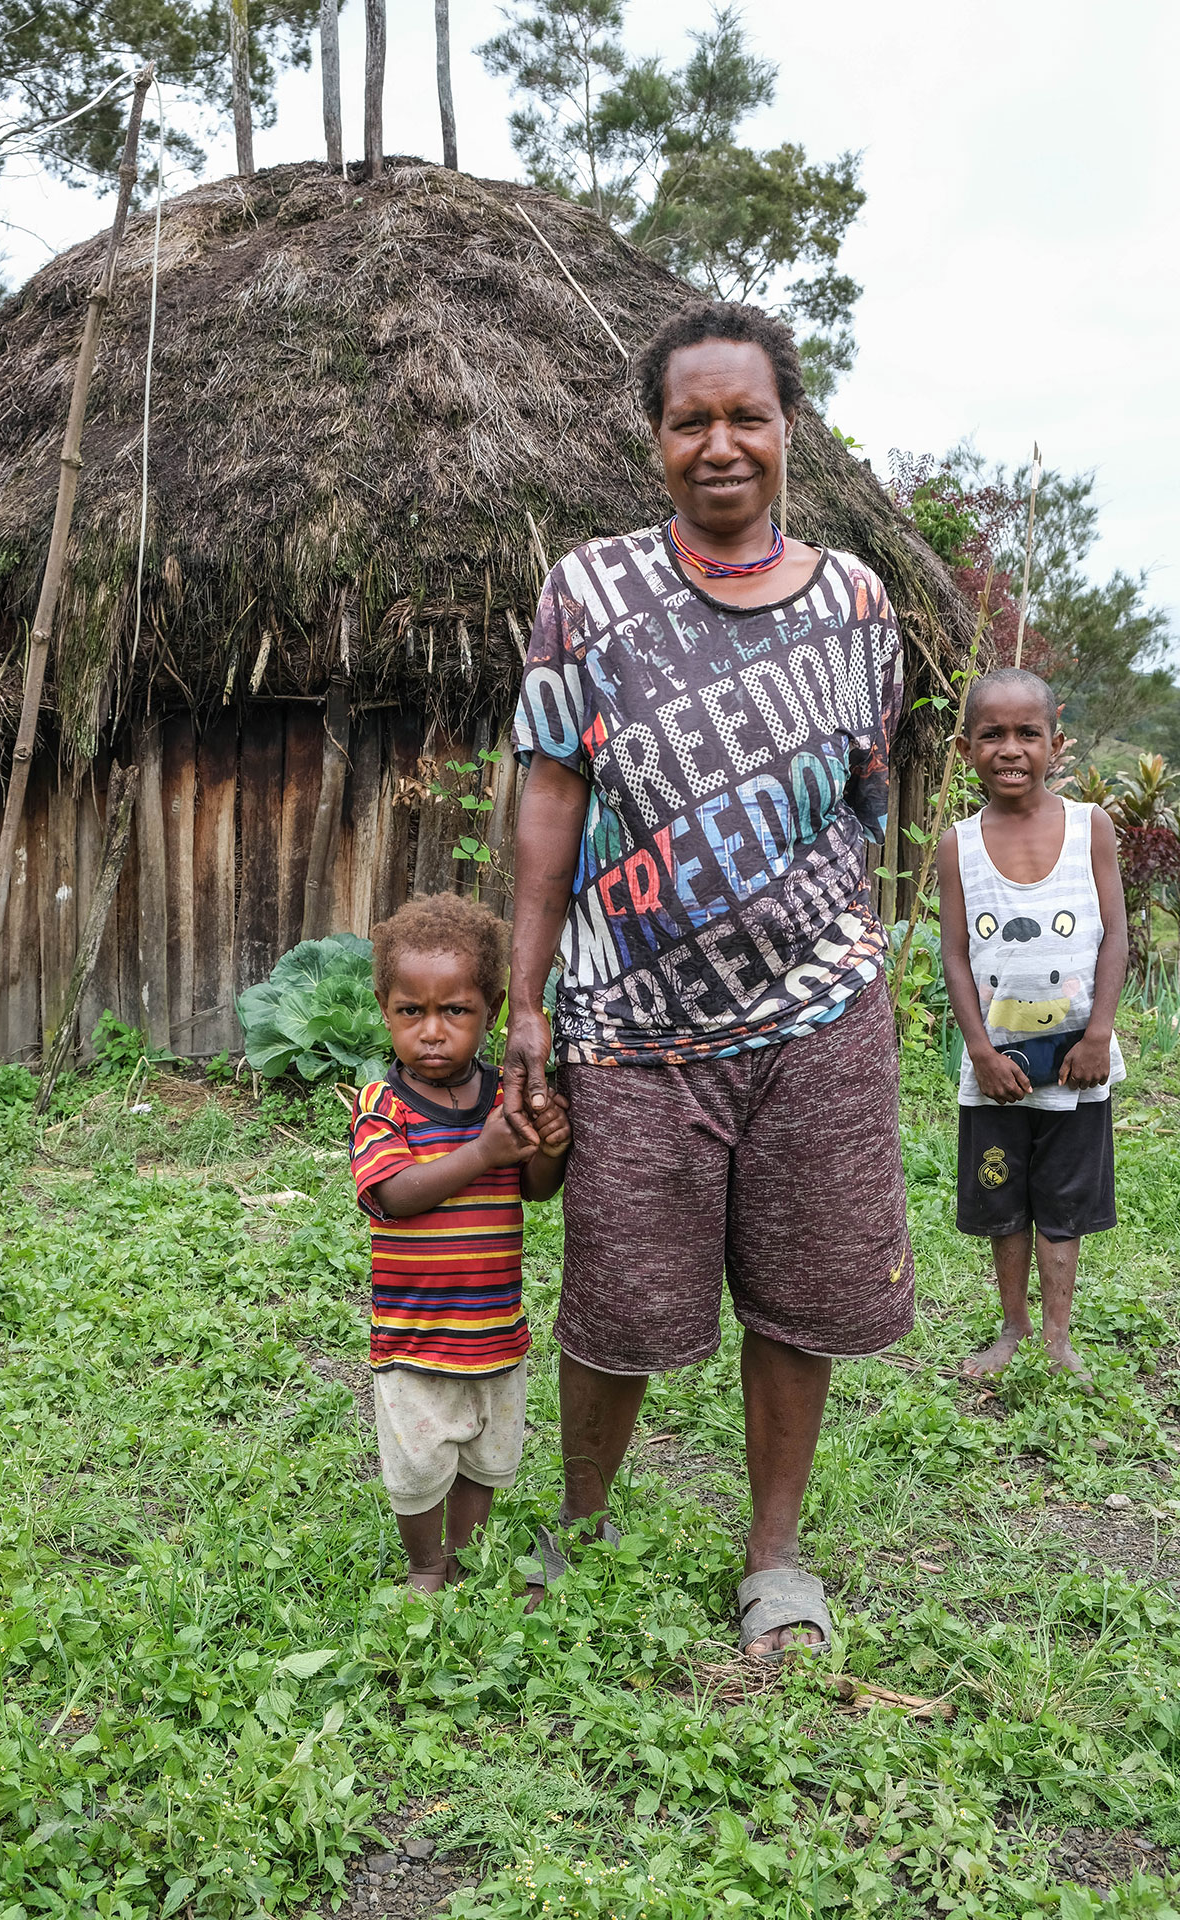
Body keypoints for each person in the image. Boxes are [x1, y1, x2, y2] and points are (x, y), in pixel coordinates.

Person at [502, 300, 914, 1662]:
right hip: (631, 1021)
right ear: (656, 438)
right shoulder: (590, 591)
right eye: (693, 420)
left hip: (817, 1017)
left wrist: (831, 953)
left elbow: (862, 803)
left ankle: (776, 1559)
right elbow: (551, 793)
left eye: (748, 417)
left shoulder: (859, 604)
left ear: (789, 430)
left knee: (800, 1296)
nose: (721, 444)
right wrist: (527, 999)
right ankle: (582, 1520)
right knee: (615, 1297)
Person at [350, 894, 571, 1593]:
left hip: (494, 1331)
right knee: (418, 1467)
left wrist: (548, 1146)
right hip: (415, 1336)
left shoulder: (500, 1101)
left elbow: (533, 1187)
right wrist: (482, 1151)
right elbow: (391, 1196)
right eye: (411, 1012)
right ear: (384, 1007)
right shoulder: (381, 1108)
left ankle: (465, 1551)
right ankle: (425, 1563)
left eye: (457, 1011)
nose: (433, 1032)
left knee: (484, 1457)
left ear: (495, 1008)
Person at [937, 667, 1127, 1383]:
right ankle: (1012, 1330)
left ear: (1057, 743)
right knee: (1001, 1200)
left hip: (1078, 1062)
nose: (1010, 749)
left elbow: (1115, 936)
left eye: (1028, 733)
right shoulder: (959, 844)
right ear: (965, 748)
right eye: (992, 734)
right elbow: (955, 954)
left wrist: (1098, 1034)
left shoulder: (1090, 827)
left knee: (1063, 1205)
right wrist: (980, 1051)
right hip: (998, 1070)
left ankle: (1057, 1338)